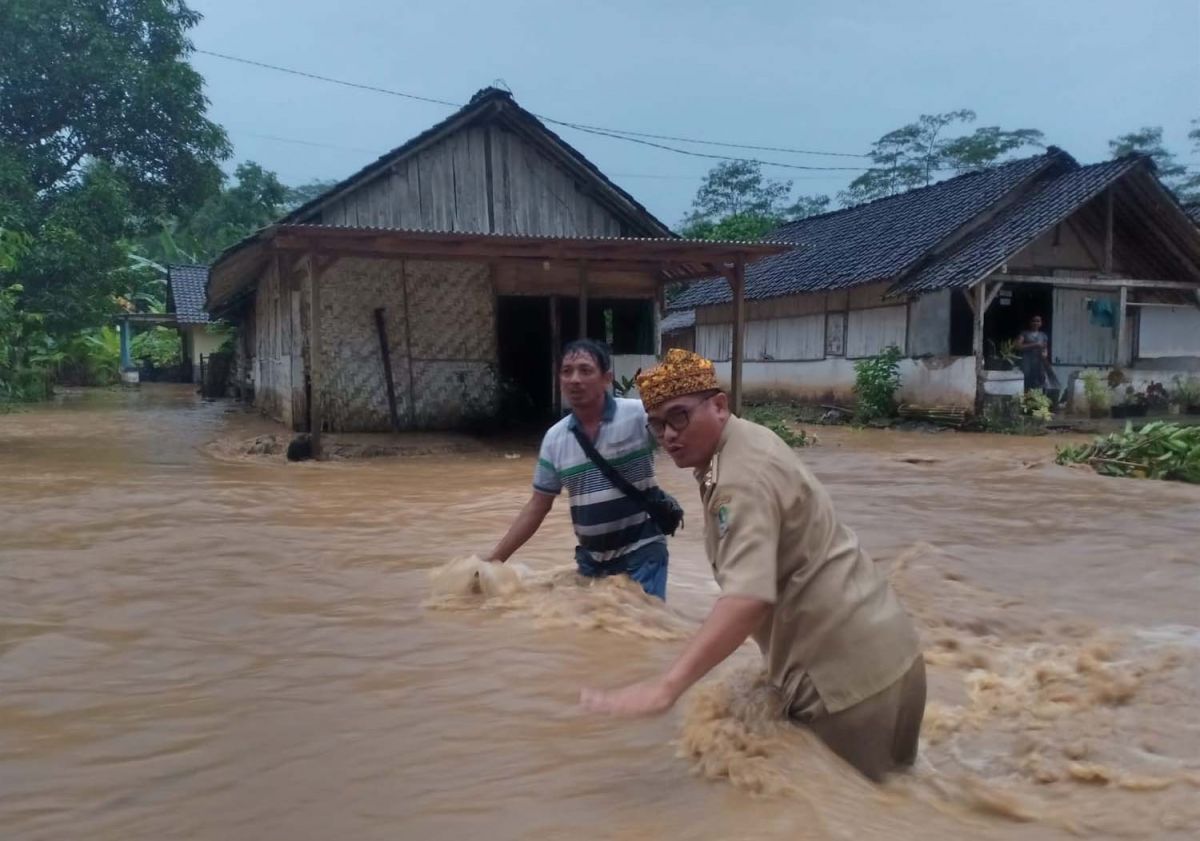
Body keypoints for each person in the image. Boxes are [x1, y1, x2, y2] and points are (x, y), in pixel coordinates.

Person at [580, 349, 926, 782]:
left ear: (719, 406)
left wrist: (665, 687)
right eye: (657, 424)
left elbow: (748, 599)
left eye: (679, 417)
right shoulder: (750, 441)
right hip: (894, 661)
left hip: (847, 689)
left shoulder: (736, 481)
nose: (668, 435)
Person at [486, 339, 670, 599]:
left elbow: (684, 446)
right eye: (566, 371)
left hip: (643, 551)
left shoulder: (639, 416)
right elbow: (538, 505)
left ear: (607, 378)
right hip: (592, 562)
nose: (574, 379)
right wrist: (493, 562)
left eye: (585, 370)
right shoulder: (555, 438)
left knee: (645, 627)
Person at [1016, 315, 1050, 393]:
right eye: (1034, 321)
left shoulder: (1043, 335)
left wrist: (1045, 354)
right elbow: (1018, 346)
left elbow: (1045, 348)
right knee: (1026, 379)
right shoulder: (1024, 334)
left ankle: (1037, 400)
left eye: (1038, 321)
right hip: (1027, 361)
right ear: (1030, 323)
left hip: (1039, 362)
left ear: (1041, 323)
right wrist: (1035, 344)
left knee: (1039, 380)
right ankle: (1025, 400)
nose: (1036, 323)